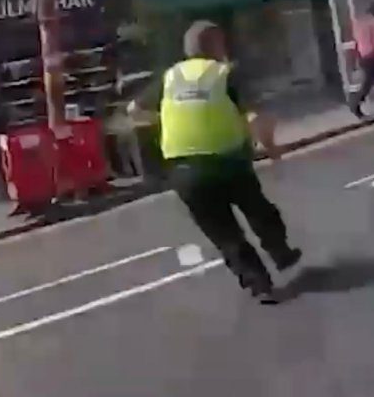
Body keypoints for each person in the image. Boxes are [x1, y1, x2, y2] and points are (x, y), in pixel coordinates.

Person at [128, 21, 301, 304]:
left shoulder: (170, 77)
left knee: (224, 233)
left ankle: (260, 286)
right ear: (215, 46)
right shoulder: (225, 74)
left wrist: (167, 120)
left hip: (184, 171)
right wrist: (273, 151)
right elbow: (255, 118)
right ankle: (280, 252)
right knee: (259, 211)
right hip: (228, 161)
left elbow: (134, 110)